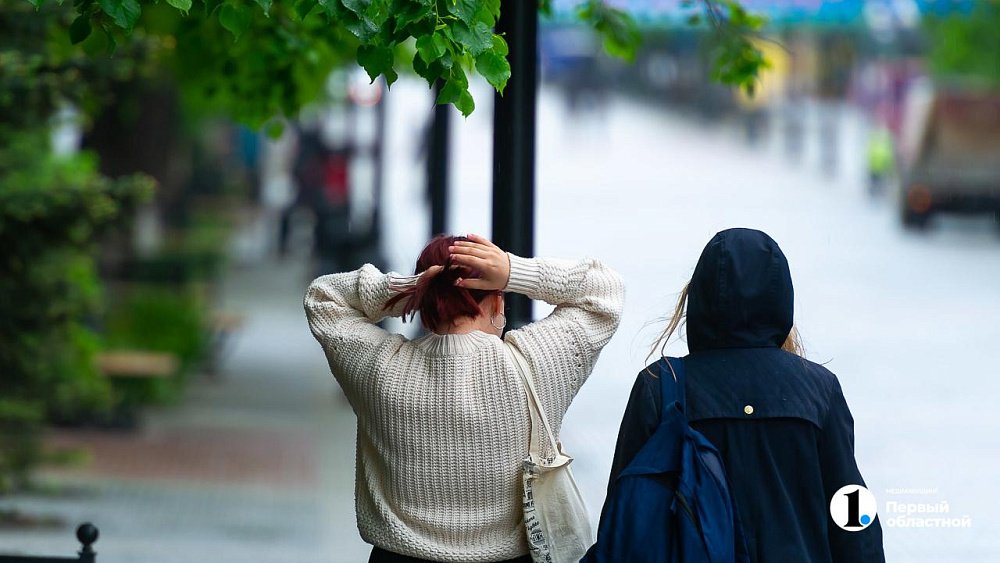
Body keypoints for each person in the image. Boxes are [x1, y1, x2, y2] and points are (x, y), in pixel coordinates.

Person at [304, 234, 624, 563]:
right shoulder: (537, 361)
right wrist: (514, 270)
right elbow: (604, 291)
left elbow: (323, 298)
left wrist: (404, 289)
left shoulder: (380, 368)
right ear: (498, 303)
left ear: (422, 308)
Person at [606, 228, 885, 563]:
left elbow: (621, 514)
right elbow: (851, 511)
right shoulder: (819, 390)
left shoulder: (661, 386)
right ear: (781, 297)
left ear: (699, 297)